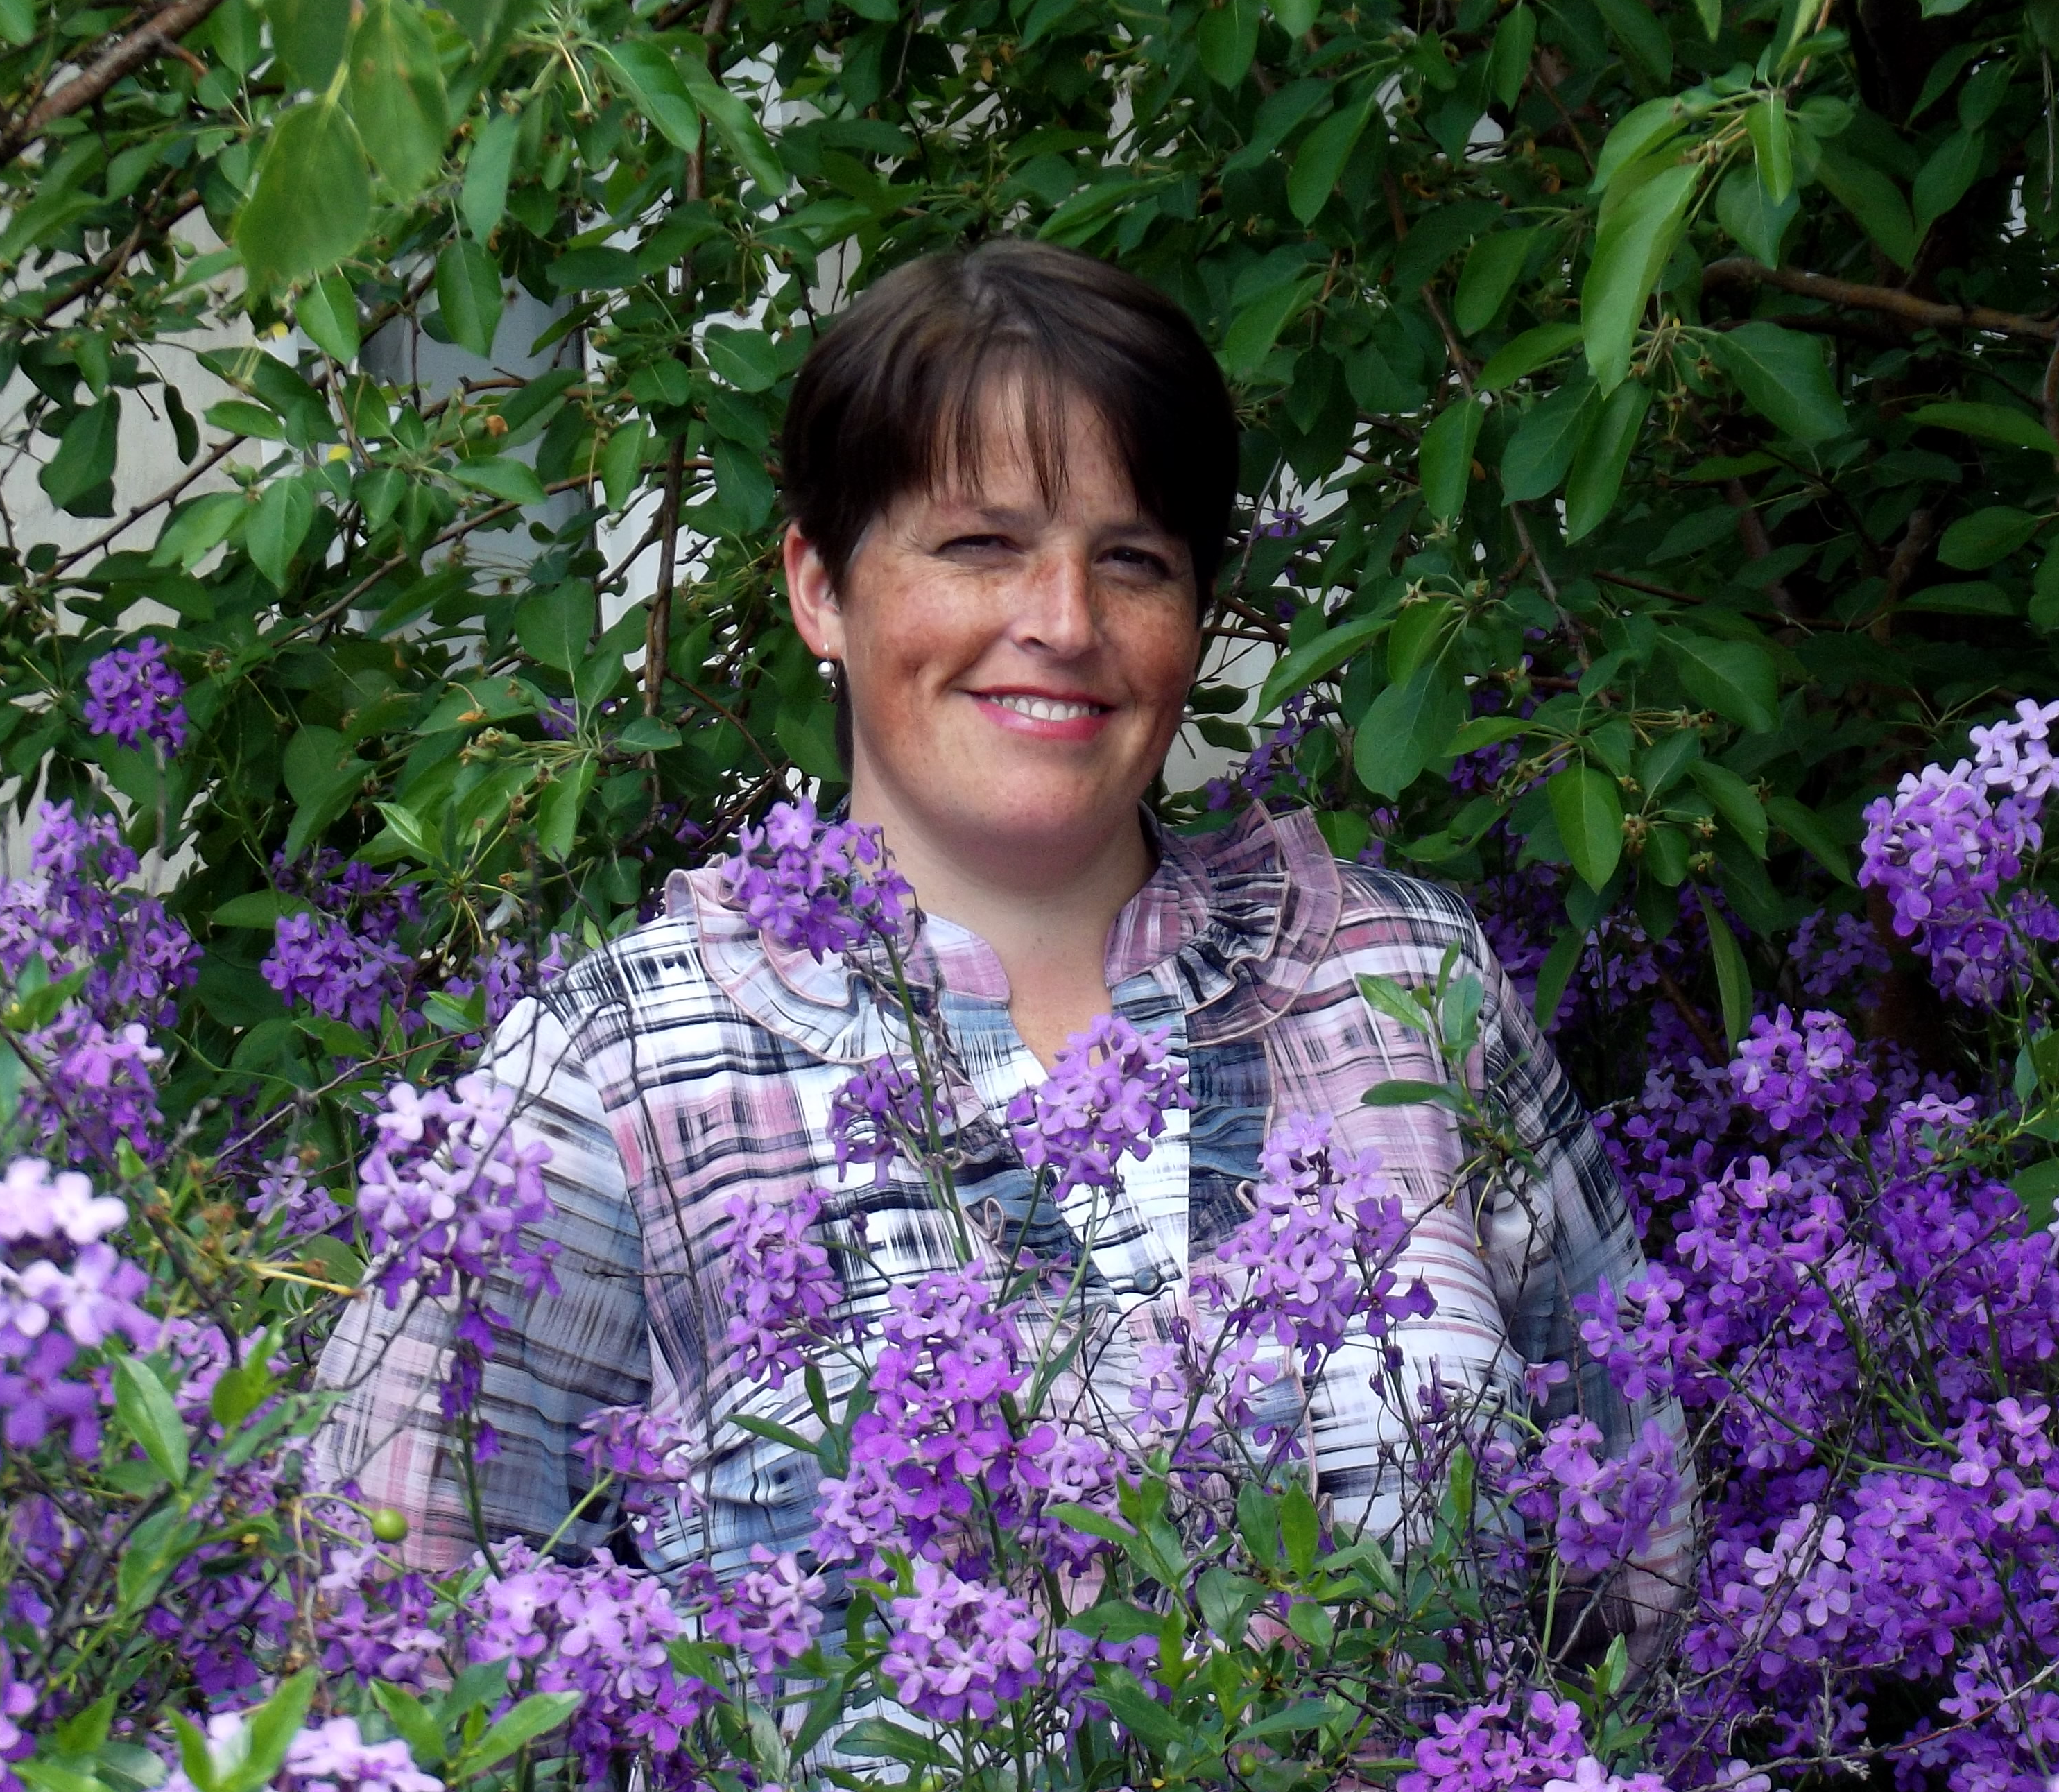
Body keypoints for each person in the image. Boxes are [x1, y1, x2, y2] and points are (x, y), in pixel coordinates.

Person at [311, 239, 1689, 1644]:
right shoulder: (620, 1070)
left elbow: (1641, 1574)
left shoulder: (1400, 983)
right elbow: (390, 1632)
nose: (1065, 622)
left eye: (1133, 561)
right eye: (980, 546)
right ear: (819, 587)